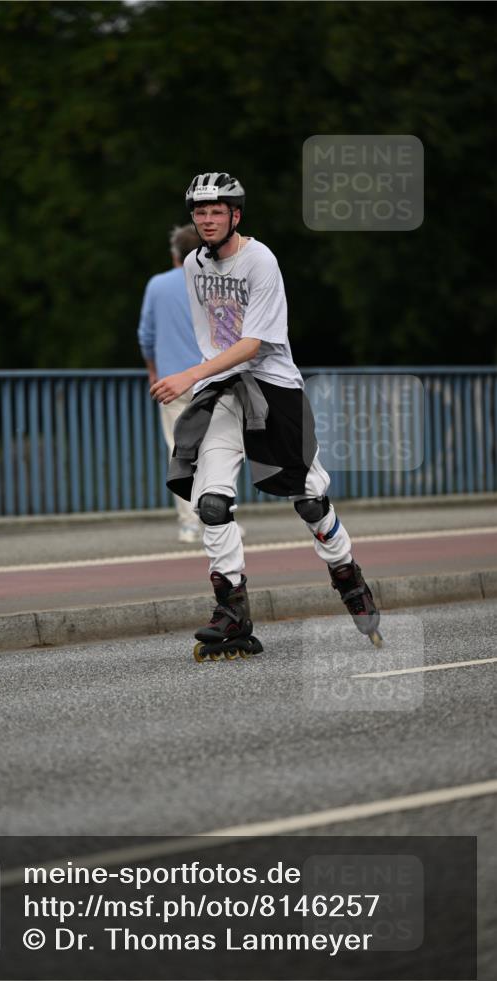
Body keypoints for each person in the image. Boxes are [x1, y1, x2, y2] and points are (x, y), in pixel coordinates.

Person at [151, 172, 381, 658]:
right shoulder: (194, 265)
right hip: (223, 389)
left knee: (309, 500)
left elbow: (253, 344)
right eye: (200, 212)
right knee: (210, 503)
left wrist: (190, 375)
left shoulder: (261, 260)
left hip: (273, 386)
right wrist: (205, 378)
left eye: (216, 211)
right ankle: (232, 613)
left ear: (236, 215)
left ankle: (348, 575)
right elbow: (212, 336)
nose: (207, 220)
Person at [137, 224, 204, 542]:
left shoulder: (158, 285)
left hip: (170, 380)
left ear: (174, 254)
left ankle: (190, 521)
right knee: (219, 447)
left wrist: (152, 370)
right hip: (211, 376)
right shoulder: (213, 281)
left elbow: (146, 335)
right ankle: (221, 514)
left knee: (180, 450)